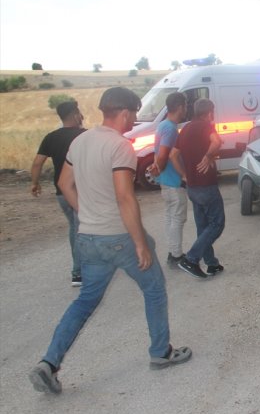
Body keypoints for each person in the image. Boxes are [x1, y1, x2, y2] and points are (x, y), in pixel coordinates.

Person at [29, 87, 192, 395]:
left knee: (85, 302)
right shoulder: (121, 147)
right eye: (134, 113)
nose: (134, 120)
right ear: (125, 112)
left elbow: (64, 184)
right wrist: (140, 243)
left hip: (88, 238)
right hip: (119, 237)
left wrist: (87, 213)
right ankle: (161, 352)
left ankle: (48, 363)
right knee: (154, 288)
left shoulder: (80, 141)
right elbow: (124, 197)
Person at [30, 100, 86, 286]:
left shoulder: (51, 137)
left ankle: (82, 268)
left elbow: (37, 163)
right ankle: (79, 272)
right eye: (79, 112)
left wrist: (35, 183)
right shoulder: (84, 136)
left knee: (74, 227)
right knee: (82, 229)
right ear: (75, 114)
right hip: (80, 191)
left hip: (61, 193)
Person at [175, 98, 225, 279]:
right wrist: (209, 155)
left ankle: (211, 264)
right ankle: (191, 259)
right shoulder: (206, 126)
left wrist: (184, 175)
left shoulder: (186, 128)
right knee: (217, 225)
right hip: (206, 186)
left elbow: (173, 155)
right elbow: (216, 141)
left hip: (192, 187)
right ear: (209, 112)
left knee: (203, 226)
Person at [150, 92, 188, 269]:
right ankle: (176, 255)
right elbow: (165, 154)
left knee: (170, 217)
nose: (186, 109)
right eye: (185, 106)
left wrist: (157, 168)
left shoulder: (163, 125)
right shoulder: (171, 128)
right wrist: (183, 175)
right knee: (177, 218)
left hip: (165, 181)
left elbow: (157, 152)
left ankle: (173, 251)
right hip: (173, 181)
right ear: (180, 107)